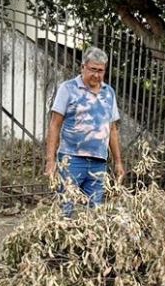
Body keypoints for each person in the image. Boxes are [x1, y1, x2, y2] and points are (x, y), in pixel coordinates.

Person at [45, 48, 125, 213]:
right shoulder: (68, 89)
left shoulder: (109, 93)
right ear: (83, 67)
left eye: (101, 71)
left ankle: (90, 239)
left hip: (98, 162)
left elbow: (112, 129)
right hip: (71, 160)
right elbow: (54, 125)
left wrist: (118, 162)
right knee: (65, 208)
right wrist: (50, 160)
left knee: (95, 212)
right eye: (93, 69)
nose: (96, 75)